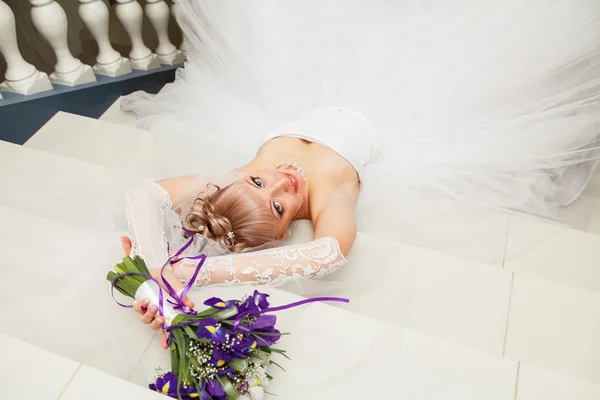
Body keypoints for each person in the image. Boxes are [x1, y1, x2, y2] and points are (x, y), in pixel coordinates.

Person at [120, 0, 600, 344]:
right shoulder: (332, 198)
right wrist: (205, 277)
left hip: (320, 75)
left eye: (259, 183)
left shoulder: (233, 177)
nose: (281, 181)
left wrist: (158, 265)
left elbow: (146, 192)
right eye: (280, 206)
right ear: (290, 226)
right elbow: (326, 254)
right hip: (397, 106)